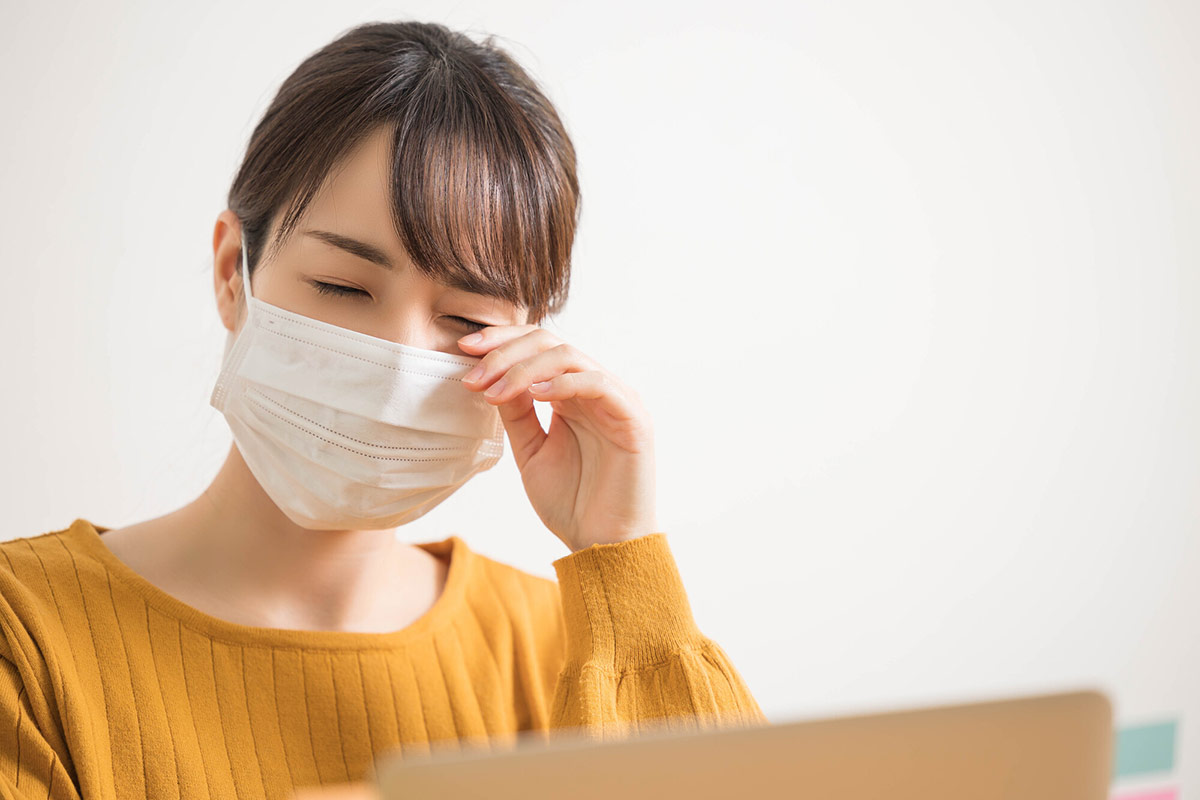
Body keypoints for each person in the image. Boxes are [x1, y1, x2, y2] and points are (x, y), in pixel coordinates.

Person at [0, 19, 767, 800]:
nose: (401, 369)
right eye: (343, 288)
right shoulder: (25, 639)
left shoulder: (560, 648)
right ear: (235, 272)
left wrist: (620, 556)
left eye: (467, 321)